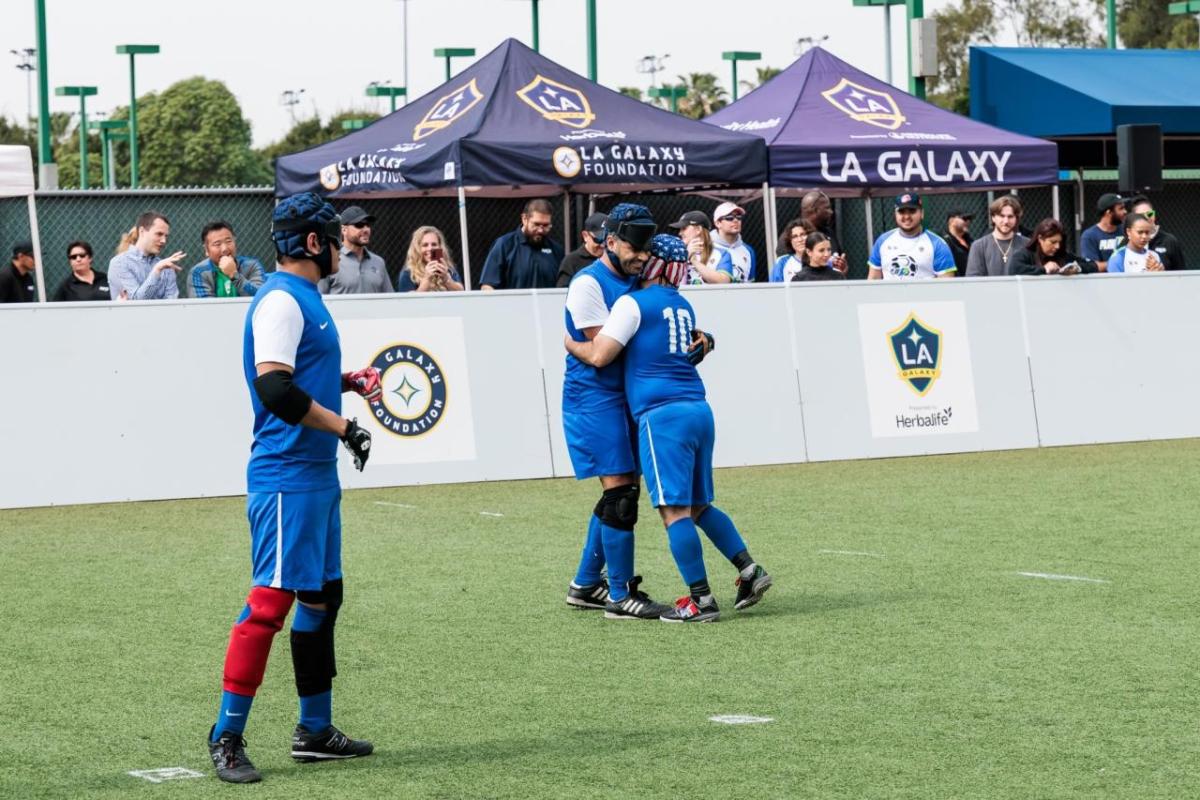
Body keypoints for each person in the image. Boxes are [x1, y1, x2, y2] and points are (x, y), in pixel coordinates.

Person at [206, 191, 379, 784]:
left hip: (313, 475)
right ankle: (226, 736)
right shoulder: (281, 299)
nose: (339, 248)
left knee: (323, 596)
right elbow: (275, 389)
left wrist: (347, 381)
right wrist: (345, 427)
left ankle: (314, 731)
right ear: (312, 242)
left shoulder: (303, 297)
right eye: (332, 239)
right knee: (268, 605)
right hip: (286, 476)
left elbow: (299, 374)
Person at [565, 234, 771, 623]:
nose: (640, 259)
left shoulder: (632, 302)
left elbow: (600, 354)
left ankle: (701, 600)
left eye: (647, 256)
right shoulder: (682, 304)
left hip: (662, 416)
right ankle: (749, 569)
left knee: (674, 511)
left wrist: (570, 344)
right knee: (699, 505)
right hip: (698, 409)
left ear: (654, 264)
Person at [561, 203, 674, 620]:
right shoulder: (587, 284)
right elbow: (603, 352)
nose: (643, 256)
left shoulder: (636, 278)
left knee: (622, 491)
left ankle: (585, 584)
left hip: (627, 395)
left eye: (647, 248)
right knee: (621, 495)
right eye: (635, 247)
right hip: (593, 398)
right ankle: (620, 595)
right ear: (610, 241)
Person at [480, 198, 564, 290]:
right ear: (524, 219)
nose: (540, 230)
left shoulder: (557, 250)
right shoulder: (504, 245)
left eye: (546, 225)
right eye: (536, 224)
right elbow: (488, 286)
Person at [867, 193, 956, 280]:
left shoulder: (938, 244)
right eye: (901, 212)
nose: (907, 216)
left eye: (912, 211)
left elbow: (947, 284)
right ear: (895, 214)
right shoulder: (882, 241)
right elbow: (873, 279)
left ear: (922, 213)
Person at [107, 211, 186, 300]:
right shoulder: (119, 263)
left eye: (166, 236)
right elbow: (136, 302)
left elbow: (172, 304)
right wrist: (157, 270)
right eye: (159, 234)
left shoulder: (166, 267)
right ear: (142, 231)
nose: (164, 240)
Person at [319, 206, 393, 294]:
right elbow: (319, 297)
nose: (366, 229)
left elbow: (390, 298)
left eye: (368, 225)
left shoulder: (379, 262)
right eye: (359, 225)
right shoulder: (331, 261)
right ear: (344, 230)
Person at [187, 221, 266, 298]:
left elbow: (261, 297)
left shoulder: (252, 266)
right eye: (217, 244)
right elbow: (205, 305)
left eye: (228, 241)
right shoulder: (199, 272)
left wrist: (234, 275)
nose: (225, 249)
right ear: (206, 250)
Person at [1008, 218, 1097, 276]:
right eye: (1053, 242)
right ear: (1040, 239)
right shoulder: (1025, 254)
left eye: (1059, 242)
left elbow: (1092, 265)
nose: (1057, 246)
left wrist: (1076, 268)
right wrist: (1044, 269)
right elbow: (1014, 269)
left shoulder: (1062, 255)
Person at [965, 196, 1026, 277]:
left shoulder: (1027, 244)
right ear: (993, 217)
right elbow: (973, 279)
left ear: (1016, 219)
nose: (1006, 221)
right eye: (1001, 216)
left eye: (1010, 216)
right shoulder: (979, 246)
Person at [669, 210, 733, 284]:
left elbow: (724, 282)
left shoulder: (721, 254)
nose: (680, 233)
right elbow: (666, 280)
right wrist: (686, 256)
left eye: (684, 228)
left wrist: (694, 261)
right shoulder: (676, 254)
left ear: (698, 229)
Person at [1125, 196, 1186, 270]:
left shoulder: (1169, 241)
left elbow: (1180, 271)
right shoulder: (1126, 242)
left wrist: (1161, 272)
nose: (1147, 217)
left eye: (1150, 213)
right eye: (1141, 215)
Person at [396, 226, 464, 292]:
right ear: (417, 248)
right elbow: (409, 299)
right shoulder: (408, 273)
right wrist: (427, 279)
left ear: (440, 247)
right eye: (425, 245)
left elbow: (461, 293)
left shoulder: (448, 269)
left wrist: (446, 279)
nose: (430, 248)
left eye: (434, 244)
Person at [799, 190, 848, 274]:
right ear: (815, 211)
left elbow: (841, 269)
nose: (831, 212)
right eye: (827, 208)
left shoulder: (829, 233)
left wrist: (842, 268)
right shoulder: (794, 236)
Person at [556, 213, 608, 288]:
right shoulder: (571, 261)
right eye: (598, 240)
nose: (603, 245)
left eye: (607, 239)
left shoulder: (613, 257)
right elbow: (563, 291)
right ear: (585, 236)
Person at [709, 201, 755, 282]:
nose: (736, 220)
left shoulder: (748, 250)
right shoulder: (705, 247)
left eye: (739, 217)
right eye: (729, 218)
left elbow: (751, 282)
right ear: (718, 223)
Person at [1080, 193, 1127, 272]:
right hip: (1103, 278)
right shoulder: (1089, 235)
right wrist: (1117, 263)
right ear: (1109, 212)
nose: (1125, 211)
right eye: (1121, 208)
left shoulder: (1126, 231)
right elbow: (1092, 266)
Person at [769, 218, 814, 283]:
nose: (800, 239)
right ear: (790, 241)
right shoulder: (781, 262)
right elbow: (775, 287)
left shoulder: (821, 259)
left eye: (803, 234)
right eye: (795, 236)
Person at [942, 210, 974, 275]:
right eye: (964, 218)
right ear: (951, 220)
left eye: (969, 219)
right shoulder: (944, 241)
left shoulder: (970, 241)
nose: (968, 221)